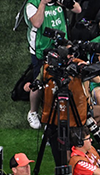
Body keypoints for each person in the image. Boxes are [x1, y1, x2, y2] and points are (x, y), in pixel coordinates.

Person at [24, 0, 82, 129]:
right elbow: (37, 23)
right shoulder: (32, 4)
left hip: (61, 48)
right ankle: (33, 112)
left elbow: (78, 9)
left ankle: (54, 119)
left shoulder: (58, 2)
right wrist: (43, 3)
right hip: (41, 50)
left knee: (60, 84)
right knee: (39, 84)